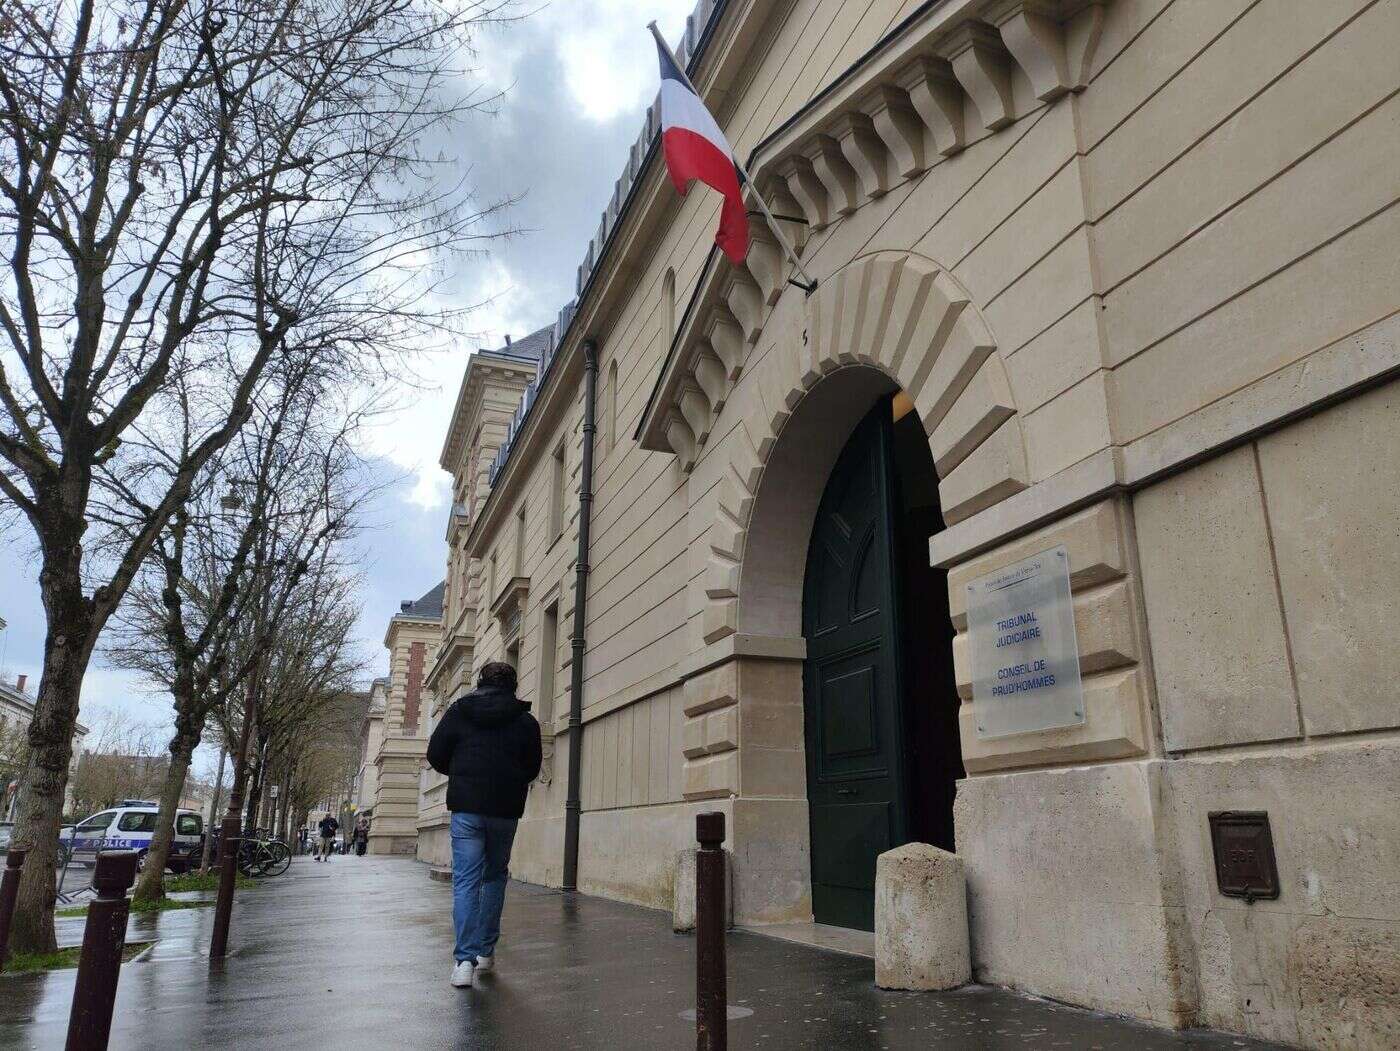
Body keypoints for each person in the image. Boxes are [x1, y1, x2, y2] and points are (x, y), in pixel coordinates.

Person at [427, 661, 541, 989]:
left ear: (479, 682)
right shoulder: (525, 722)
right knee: (494, 877)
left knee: (465, 881)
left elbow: (435, 754)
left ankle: (463, 962)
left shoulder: (459, 712)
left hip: (466, 808)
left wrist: (462, 772)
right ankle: (486, 952)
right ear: (513, 685)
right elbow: (532, 767)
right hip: (505, 809)